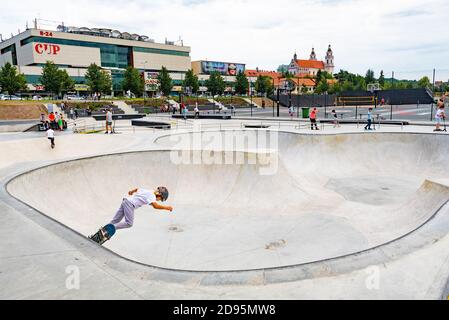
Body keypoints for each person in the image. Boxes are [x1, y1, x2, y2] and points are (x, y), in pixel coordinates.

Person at [108, 187, 173, 231]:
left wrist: (131, 191)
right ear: (159, 194)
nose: (158, 200)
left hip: (125, 201)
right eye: (160, 199)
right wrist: (166, 208)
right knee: (129, 223)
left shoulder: (149, 191)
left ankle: (104, 230)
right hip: (130, 204)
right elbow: (155, 206)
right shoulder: (152, 196)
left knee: (115, 221)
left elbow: (137, 189)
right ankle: (111, 228)